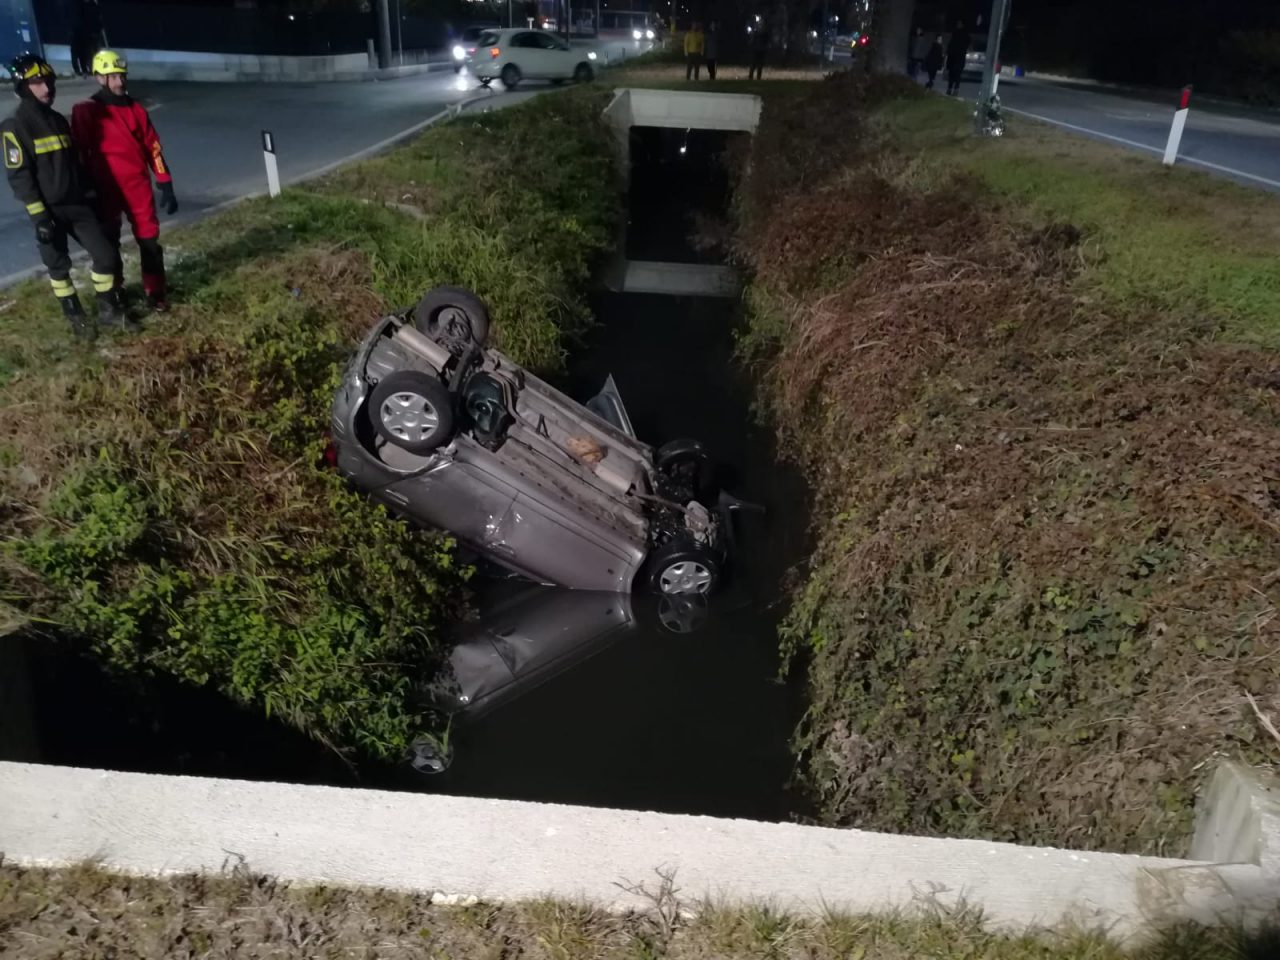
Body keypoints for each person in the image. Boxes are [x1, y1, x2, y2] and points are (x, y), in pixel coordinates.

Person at [2, 54, 126, 339]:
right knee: (59, 268)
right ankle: (76, 318)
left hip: (77, 205)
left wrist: (90, 192)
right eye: (37, 83)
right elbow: (19, 176)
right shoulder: (15, 126)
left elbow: (75, 163)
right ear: (23, 87)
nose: (46, 89)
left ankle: (109, 311)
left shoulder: (59, 120)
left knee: (106, 256)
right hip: (48, 212)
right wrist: (40, 216)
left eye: (48, 82)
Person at [72, 49, 178, 312]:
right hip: (104, 187)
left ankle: (155, 292)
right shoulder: (86, 111)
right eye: (112, 76)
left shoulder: (137, 110)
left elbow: (153, 147)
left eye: (121, 75)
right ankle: (116, 292)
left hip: (137, 186)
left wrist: (165, 180)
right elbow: (79, 153)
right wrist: (84, 187)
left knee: (149, 241)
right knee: (109, 243)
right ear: (99, 78)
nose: (119, 82)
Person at [945, 20, 970, 96]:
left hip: (956, 57)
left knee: (954, 74)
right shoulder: (962, 34)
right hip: (957, 57)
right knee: (956, 74)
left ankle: (952, 89)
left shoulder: (957, 34)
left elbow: (951, 45)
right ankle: (953, 89)